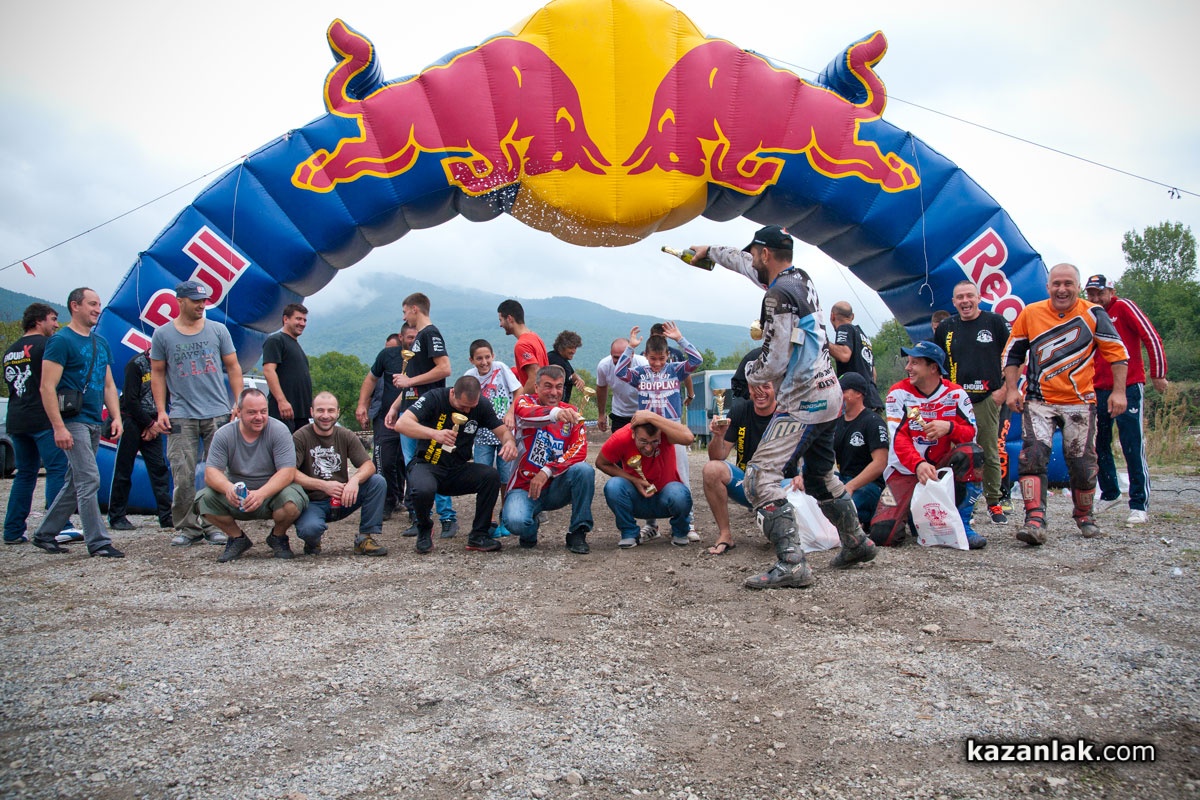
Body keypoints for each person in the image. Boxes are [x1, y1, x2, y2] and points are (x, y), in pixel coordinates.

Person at [692, 226, 877, 589]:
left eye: (755, 254)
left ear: (765, 253)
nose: (751, 260)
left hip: (803, 400)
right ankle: (856, 541)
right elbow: (745, 265)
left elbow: (773, 363)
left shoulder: (777, 296)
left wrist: (749, 372)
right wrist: (710, 251)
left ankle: (792, 562)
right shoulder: (800, 280)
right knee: (820, 475)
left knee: (759, 477)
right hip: (829, 393)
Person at [1003, 263, 1129, 545]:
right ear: (1048, 287)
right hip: (1038, 400)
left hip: (1080, 402)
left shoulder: (1093, 313)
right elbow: (1012, 354)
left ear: (1078, 287)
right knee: (1032, 456)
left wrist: (1119, 392)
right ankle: (1034, 519)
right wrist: (1011, 389)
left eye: (1068, 284)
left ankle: (1085, 515)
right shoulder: (1031, 313)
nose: (1062, 289)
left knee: (1083, 463)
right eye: (1056, 284)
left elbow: (1118, 353)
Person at [30, 288, 125, 557]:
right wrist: (59, 427)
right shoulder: (61, 341)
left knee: (76, 482)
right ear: (75, 306)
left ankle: (45, 533)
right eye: (92, 304)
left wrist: (116, 416)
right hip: (74, 421)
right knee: (89, 479)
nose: (97, 309)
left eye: (99, 304)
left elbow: (108, 384)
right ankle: (99, 543)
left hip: (94, 420)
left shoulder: (100, 342)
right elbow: (47, 387)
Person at [867, 342, 987, 549]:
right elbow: (899, 438)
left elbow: (971, 434)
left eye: (915, 363)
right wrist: (918, 464)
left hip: (940, 468)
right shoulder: (898, 393)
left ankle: (963, 525)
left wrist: (949, 427)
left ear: (933, 368)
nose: (908, 367)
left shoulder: (956, 394)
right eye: (908, 362)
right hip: (904, 470)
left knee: (972, 453)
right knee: (882, 535)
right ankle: (917, 516)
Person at [151, 279, 242, 546]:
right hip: (181, 414)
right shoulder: (163, 334)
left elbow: (233, 366)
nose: (201, 305)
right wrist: (161, 411)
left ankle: (215, 524)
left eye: (204, 300)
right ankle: (187, 528)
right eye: (196, 300)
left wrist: (238, 402)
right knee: (183, 473)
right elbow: (157, 372)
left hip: (217, 412)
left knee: (217, 473)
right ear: (180, 301)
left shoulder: (218, 330)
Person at [394, 376, 517, 554]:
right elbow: (401, 424)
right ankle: (424, 528)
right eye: (463, 406)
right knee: (422, 489)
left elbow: (502, 431)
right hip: (427, 464)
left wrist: (509, 443)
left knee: (491, 476)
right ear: (453, 393)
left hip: (457, 468)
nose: (467, 410)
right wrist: (434, 434)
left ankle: (479, 535)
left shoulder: (481, 405)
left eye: (471, 407)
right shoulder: (434, 398)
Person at [1084, 274, 1168, 526]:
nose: (1096, 298)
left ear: (1111, 291)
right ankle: (1110, 492)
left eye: (1100, 293)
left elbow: (1151, 337)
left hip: (1129, 385)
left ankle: (1139, 503)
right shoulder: (1087, 313)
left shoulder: (1124, 307)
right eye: (1091, 294)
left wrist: (1158, 373)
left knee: (1132, 442)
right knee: (1098, 442)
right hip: (1097, 386)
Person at [933, 280, 1013, 525]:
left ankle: (994, 502)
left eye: (969, 296)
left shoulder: (995, 322)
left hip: (986, 398)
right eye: (960, 297)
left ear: (978, 298)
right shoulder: (946, 327)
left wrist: (1005, 390)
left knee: (988, 451)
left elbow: (1015, 357)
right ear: (954, 302)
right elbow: (936, 363)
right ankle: (958, 502)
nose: (965, 301)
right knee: (954, 452)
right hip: (954, 400)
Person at [195, 389, 308, 562]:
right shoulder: (223, 434)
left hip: (272, 494)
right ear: (239, 412)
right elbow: (211, 473)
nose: (259, 417)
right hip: (238, 496)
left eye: (263, 411)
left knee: (292, 501)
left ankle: (278, 536)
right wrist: (228, 488)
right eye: (252, 412)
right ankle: (237, 538)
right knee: (204, 499)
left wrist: (261, 494)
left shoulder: (279, 430)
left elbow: (287, 472)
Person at [615, 322, 702, 541]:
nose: (657, 363)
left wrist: (680, 339)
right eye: (653, 358)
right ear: (646, 356)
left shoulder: (675, 370)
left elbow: (696, 361)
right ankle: (651, 525)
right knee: (647, 474)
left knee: (681, 473)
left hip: (672, 429)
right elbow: (620, 372)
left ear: (667, 356)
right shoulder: (640, 374)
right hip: (647, 432)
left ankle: (688, 522)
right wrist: (630, 347)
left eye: (661, 358)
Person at [3, 303, 81, 545]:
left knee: (25, 474)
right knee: (58, 469)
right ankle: (60, 526)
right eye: (53, 319)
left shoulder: (10, 351)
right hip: (43, 418)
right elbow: (54, 382)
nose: (56, 325)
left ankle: (12, 530)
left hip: (17, 419)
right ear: (39, 321)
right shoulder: (48, 345)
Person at [382, 294, 457, 537]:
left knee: (435, 462)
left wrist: (410, 381)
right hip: (410, 411)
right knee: (413, 467)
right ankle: (420, 518)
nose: (404, 317)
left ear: (415, 309)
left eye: (405, 312)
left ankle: (447, 517)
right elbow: (411, 382)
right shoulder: (417, 340)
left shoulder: (430, 334)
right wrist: (396, 406)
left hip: (429, 411)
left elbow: (444, 368)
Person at [503, 365, 594, 553]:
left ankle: (578, 532)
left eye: (559, 387)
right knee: (515, 522)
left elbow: (579, 450)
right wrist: (555, 414)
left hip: (556, 486)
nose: (554, 392)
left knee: (584, 470)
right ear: (536, 388)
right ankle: (530, 527)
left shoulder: (572, 411)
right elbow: (527, 415)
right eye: (548, 386)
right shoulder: (524, 403)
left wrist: (547, 471)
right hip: (524, 486)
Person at [293, 391, 388, 557]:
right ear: (311, 412)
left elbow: (368, 465)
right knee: (310, 529)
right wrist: (323, 485)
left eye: (330, 410)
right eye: (320, 410)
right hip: (313, 501)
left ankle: (364, 538)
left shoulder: (345, 435)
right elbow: (289, 472)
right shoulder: (300, 437)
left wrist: (354, 480)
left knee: (377, 481)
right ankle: (313, 540)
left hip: (343, 498)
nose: (325, 415)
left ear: (337, 412)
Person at [596, 410, 694, 548]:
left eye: (654, 442)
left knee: (680, 493)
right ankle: (630, 532)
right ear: (633, 433)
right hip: (637, 499)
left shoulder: (665, 433)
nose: (648, 448)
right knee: (613, 486)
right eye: (643, 441)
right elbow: (601, 463)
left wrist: (651, 416)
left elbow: (689, 438)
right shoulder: (621, 437)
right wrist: (633, 480)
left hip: (666, 498)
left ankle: (680, 531)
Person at [701, 380, 779, 555]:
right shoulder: (740, 410)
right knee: (712, 469)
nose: (760, 392)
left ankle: (788, 536)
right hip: (748, 484)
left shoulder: (787, 412)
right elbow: (717, 457)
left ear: (776, 387)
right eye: (755, 387)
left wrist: (801, 476)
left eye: (766, 387)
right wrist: (718, 436)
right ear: (749, 389)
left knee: (806, 485)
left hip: (781, 486)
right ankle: (725, 534)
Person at [107, 348, 172, 531]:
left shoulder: (167, 365)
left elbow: (166, 396)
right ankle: (117, 516)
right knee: (123, 469)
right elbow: (130, 400)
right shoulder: (136, 364)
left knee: (159, 469)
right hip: (131, 420)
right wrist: (149, 424)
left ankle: (166, 515)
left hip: (153, 421)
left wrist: (155, 423)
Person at [465, 339, 523, 537]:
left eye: (487, 357)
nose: (484, 362)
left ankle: (506, 516)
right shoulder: (469, 377)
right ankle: (487, 520)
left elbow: (519, 390)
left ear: (493, 356)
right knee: (484, 477)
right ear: (471, 360)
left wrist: (511, 412)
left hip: (505, 433)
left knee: (506, 478)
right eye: (479, 358)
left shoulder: (501, 369)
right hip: (482, 435)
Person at [357, 326, 414, 523]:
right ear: (401, 337)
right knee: (384, 460)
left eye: (416, 337)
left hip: (414, 417)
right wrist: (362, 404)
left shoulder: (425, 356)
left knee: (412, 463)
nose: (413, 341)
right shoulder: (387, 355)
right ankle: (387, 502)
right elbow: (371, 379)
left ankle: (413, 506)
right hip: (385, 417)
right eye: (409, 337)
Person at [833, 372, 889, 531]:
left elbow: (880, 463)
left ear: (858, 393)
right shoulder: (837, 422)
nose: (839, 395)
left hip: (868, 485)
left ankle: (862, 523)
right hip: (843, 479)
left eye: (843, 391)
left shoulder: (873, 422)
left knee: (844, 508)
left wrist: (851, 485)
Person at [261, 303, 312, 433]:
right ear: (286, 319)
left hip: (300, 414)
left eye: (304, 320)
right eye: (298, 319)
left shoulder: (295, 344)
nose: (302, 323)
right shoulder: (276, 340)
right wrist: (282, 401)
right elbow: (268, 370)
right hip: (283, 413)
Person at [828, 301, 883, 410]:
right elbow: (873, 373)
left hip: (856, 398)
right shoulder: (863, 337)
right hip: (872, 397)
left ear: (832, 316)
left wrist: (822, 341)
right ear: (852, 316)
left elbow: (844, 354)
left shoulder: (845, 328)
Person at [497, 299, 548, 396]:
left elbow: (535, 376)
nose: (500, 325)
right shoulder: (535, 337)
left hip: (534, 400)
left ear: (509, 318)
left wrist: (520, 400)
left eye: (501, 320)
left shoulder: (522, 344)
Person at [595, 338, 646, 433]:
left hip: (643, 413)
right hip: (619, 415)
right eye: (616, 357)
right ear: (610, 354)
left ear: (632, 354)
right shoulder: (604, 366)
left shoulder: (644, 364)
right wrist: (601, 414)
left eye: (623, 357)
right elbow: (601, 387)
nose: (620, 362)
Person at [547, 330, 586, 403]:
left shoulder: (564, 360)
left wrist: (579, 380)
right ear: (561, 347)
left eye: (575, 348)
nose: (573, 351)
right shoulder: (556, 361)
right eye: (571, 348)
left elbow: (572, 375)